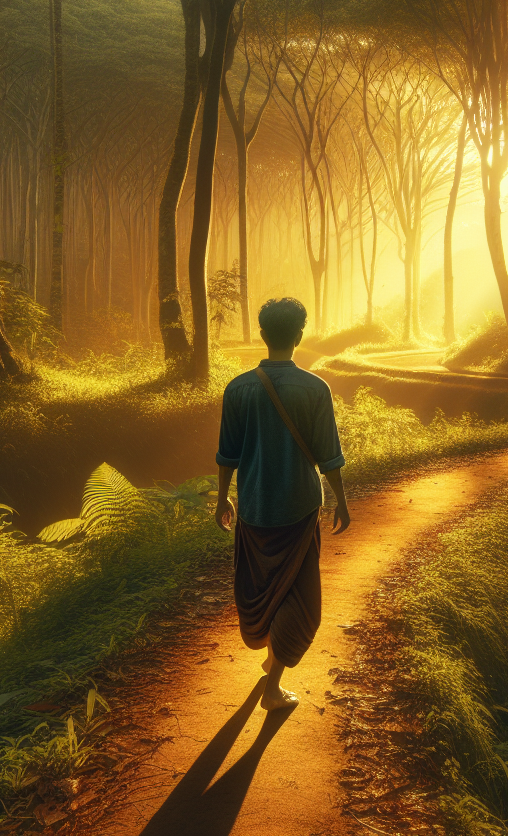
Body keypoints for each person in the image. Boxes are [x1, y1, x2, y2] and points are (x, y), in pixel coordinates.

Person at [214, 297, 350, 711]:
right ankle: (273, 689)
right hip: (300, 507)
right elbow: (329, 455)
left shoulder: (238, 388)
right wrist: (342, 501)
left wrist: (223, 499)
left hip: (255, 507)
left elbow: (228, 455)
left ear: (262, 334)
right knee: (302, 598)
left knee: (262, 586)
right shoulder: (315, 388)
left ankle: (271, 659)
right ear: (299, 335)